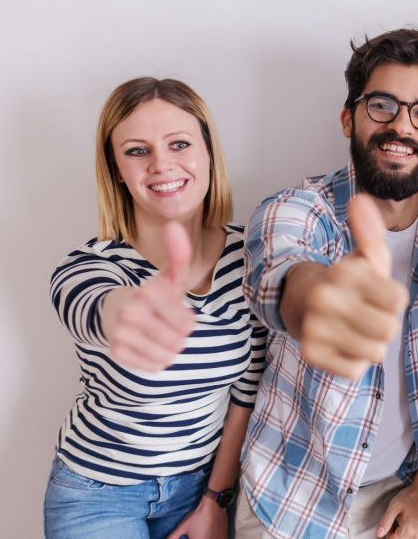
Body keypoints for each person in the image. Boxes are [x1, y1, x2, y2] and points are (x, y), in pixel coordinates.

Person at [237, 28, 418, 539]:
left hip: (402, 501)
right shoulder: (297, 210)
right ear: (349, 117)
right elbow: (283, 272)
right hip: (289, 501)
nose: (402, 126)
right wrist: (319, 302)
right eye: (382, 105)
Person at [43, 77, 267, 539]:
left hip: (199, 491)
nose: (161, 164)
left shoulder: (251, 255)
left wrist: (215, 499)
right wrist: (124, 310)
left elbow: (246, 394)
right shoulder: (92, 266)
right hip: (95, 495)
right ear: (116, 170)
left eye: (179, 143)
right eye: (137, 150)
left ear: (208, 153)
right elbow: (90, 306)